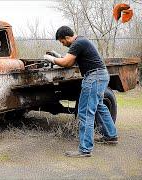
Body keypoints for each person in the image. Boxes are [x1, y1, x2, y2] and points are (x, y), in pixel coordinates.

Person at [43, 26, 118, 158]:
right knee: (99, 107)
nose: (63, 44)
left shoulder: (78, 43)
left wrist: (51, 59)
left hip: (94, 77)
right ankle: (111, 136)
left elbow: (66, 63)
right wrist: (58, 56)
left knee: (85, 112)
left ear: (67, 37)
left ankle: (85, 149)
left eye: (62, 41)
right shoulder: (82, 42)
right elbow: (71, 62)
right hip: (101, 76)